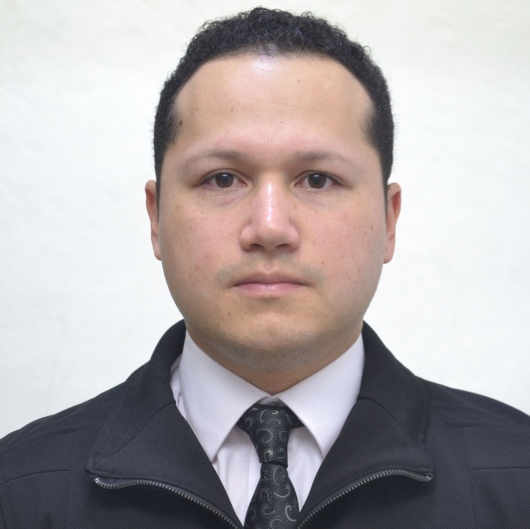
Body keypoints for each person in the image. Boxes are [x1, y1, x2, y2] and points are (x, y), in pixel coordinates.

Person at [1, 7, 529, 529]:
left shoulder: (516, 480)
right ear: (156, 218)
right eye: (222, 179)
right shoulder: (19, 491)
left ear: (389, 220)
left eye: (318, 179)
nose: (270, 227)